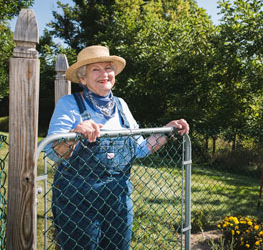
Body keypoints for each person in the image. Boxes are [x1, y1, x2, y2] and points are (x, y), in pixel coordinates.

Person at [45, 45, 189, 249]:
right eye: (96, 69)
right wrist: (76, 134)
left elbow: (141, 148)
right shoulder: (69, 104)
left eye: (108, 68)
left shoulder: (121, 105)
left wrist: (166, 131)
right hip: (77, 199)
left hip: (118, 198)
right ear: (83, 78)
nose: (104, 74)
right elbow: (54, 151)